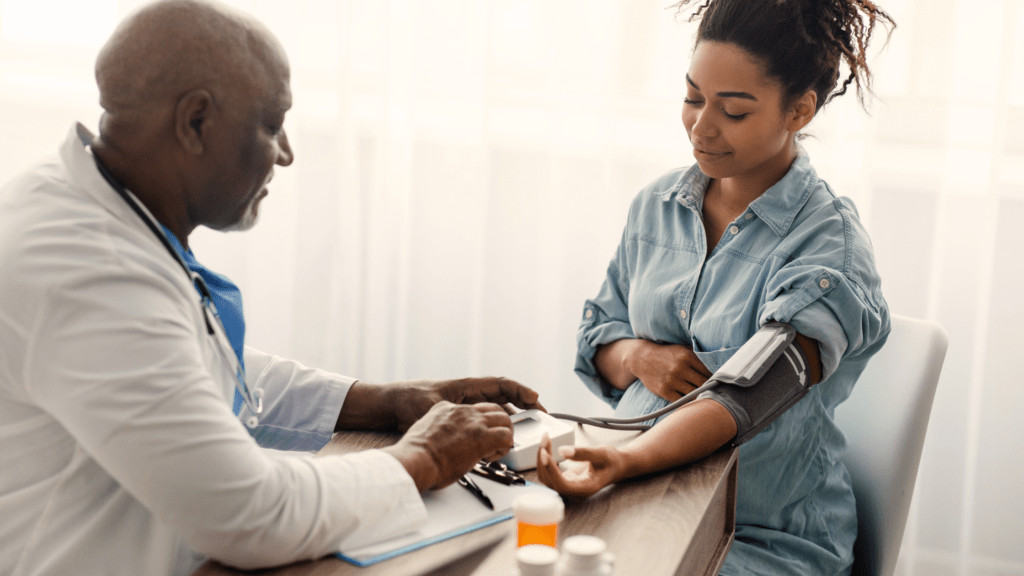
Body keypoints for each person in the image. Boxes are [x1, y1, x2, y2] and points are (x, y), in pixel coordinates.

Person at [0, 1, 543, 575]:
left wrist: (383, 399)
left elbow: (182, 366)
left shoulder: (86, 200)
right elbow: (249, 515)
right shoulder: (91, 275)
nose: (285, 154)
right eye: (271, 124)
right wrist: (422, 458)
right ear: (195, 122)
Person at [536, 0, 893, 574]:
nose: (702, 126)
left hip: (757, 533)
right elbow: (597, 334)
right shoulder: (657, 206)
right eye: (693, 97)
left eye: (733, 110)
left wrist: (627, 461)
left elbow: (751, 394)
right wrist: (638, 355)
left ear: (798, 110)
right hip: (638, 496)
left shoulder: (830, 250)